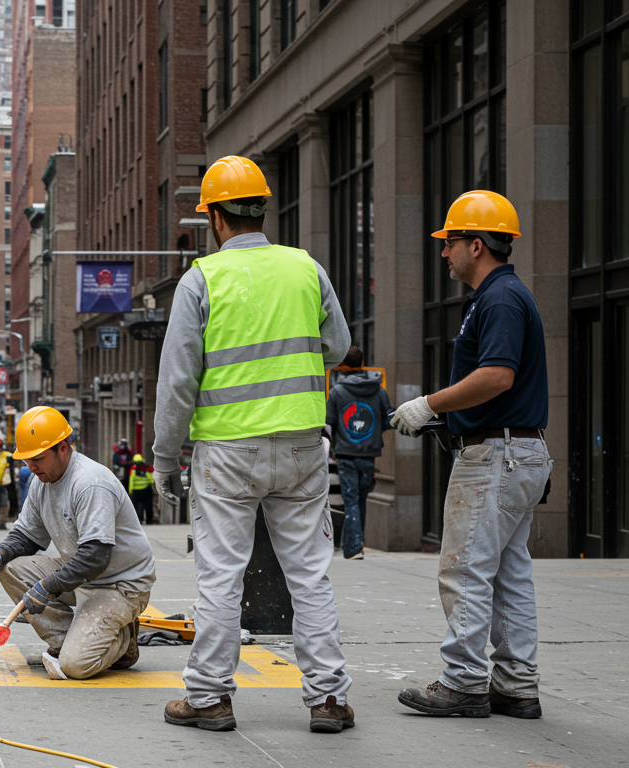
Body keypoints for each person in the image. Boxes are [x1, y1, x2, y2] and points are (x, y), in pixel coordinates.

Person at [151, 156, 354, 733]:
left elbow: (178, 381)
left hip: (227, 453)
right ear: (262, 209)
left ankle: (209, 697)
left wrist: (165, 459)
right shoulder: (305, 268)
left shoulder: (201, 280)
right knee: (309, 575)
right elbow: (338, 346)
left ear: (215, 217)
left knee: (221, 576)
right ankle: (328, 699)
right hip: (301, 447)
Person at [390, 191, 550, 720]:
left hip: (495, 455)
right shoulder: (507, 295)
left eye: (450, 241)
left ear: (476, 245)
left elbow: (497, 376)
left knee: (465, 571)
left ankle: (462, 682)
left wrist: (428, 404)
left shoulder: (498, 299)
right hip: (518, 449)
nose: (444, 252)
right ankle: (516, 684)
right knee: (509, 575)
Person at [0, 407, 155, 681]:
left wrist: (48, 586)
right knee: (11, 569)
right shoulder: (41, 481)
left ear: (63, 448)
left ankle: (121, 640)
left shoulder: (90, 483)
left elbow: (95, 555)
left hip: (119, 584)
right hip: (83, 575)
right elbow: (27, 536)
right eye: (27, 460)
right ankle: (67, 641)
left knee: (75, 667)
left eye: (38, 459)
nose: (32, 467)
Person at [325, 346, 393, 560]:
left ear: (342, 366)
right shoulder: (379, 390)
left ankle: (354, 547)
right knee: (361, 499)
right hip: (369, 454)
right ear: (362, 364)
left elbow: (329, 423)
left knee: (351, 499)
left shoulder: (337, 391)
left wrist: (332, 447)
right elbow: (389, 419)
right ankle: (355, 544)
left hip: (345, 453)